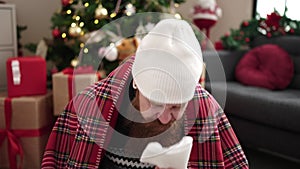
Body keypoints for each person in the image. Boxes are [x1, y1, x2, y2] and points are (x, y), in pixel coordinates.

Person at [41, 19, 249, 169]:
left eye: (176, 106)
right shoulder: (90, 105)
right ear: (137, 85)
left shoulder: (206, 109)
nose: (165, 117)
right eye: (156, 103)